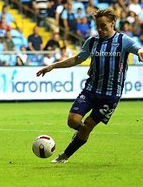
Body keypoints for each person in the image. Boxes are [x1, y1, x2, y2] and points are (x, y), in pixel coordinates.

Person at [36, 8, 143, 163]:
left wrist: (140, 51)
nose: (100, 29)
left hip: (110, 96)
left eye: (103, 26)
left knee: (88, 124)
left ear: (113, 23)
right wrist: (53, 66)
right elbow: (77, 59)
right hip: (91, 90)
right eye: (97, 26)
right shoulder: (92, 42)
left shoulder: (122, 40)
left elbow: (137, 47)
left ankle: (65, 156)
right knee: (73, 121)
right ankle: (82, 133)